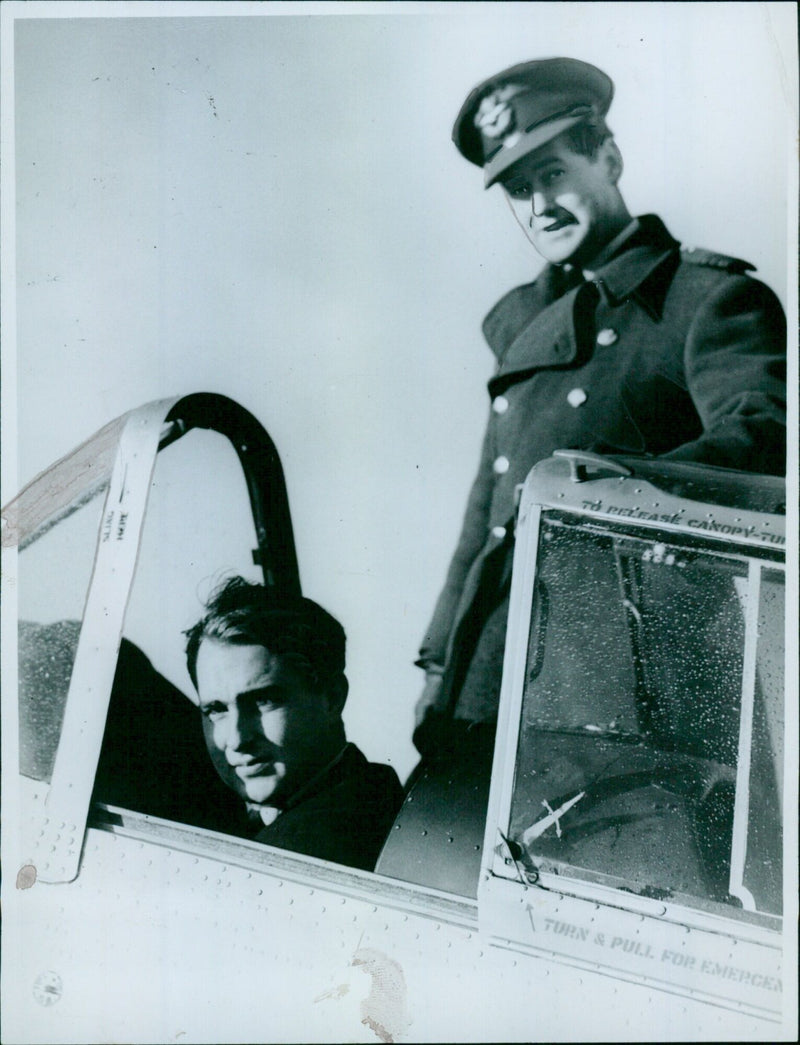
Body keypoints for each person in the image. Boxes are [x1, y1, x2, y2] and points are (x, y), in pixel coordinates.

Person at [413, 57, 786, 753]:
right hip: (491, 671)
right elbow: (487, 505)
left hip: (624, 684)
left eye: (553, 174)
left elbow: (764, 433)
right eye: (518, 189)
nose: (538, 206)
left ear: (608, 159)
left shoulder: (704, 300)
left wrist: (618, 490)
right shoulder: (524, 324)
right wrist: (439, 662)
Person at [185, 576, 403, 871]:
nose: (237, 739)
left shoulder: (315, 849)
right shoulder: (372, 791)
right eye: (216, 710)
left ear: (332, 698)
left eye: (263, 701)